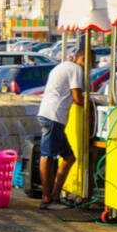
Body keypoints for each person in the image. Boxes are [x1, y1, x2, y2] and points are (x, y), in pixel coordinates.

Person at [36, 47, 90, 210]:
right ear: (84, 59)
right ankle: (46, 199)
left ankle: (54, 195)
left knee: (68, 157)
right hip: (54, 116)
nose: (91, 66)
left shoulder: (62, 66)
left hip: (49, 114)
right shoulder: (76, 70)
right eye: (91, 62)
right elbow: (77, 98)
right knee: (48, 156)